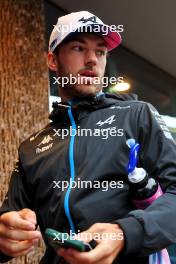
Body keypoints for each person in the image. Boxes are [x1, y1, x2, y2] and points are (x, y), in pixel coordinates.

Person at [0, 10, 176, 264]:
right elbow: (10, 222)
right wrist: (6, 238)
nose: (92, 59)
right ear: (52, 60)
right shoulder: (32, 147)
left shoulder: (137, 115)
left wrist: (123, 233)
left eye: (101, 51)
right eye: (78, 48)